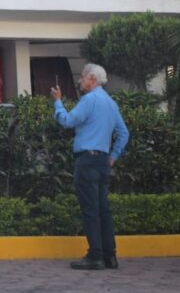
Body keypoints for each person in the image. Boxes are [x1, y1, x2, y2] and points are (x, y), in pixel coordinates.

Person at [50, 63, 129, 271]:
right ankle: (110, 256)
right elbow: (124, 133)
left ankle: (95, 256)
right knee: (103, 209)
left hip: (87, 160)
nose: (80, 81)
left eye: (83, 77)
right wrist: (113, 156)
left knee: (90, 210)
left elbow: (67, 121)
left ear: (92, 79)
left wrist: (58, 103)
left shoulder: (89, 100)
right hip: (103, 161)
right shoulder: (111, 103)